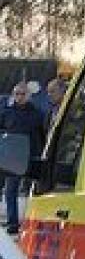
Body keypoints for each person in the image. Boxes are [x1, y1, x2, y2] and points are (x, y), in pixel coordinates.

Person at [0, 82, 45, 235]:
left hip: (31, 157)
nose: (19, 97)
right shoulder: (6, 112)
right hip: (12, 158)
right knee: (10, 191)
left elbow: (42, 134)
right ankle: (13, 223)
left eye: (22, 94)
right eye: (17, 94)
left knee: (36, 191)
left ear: (29, 96)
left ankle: (36, 223)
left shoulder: (37, 114)